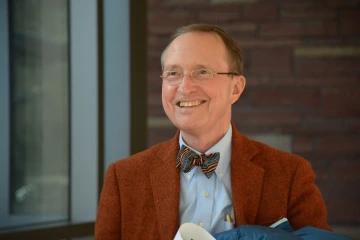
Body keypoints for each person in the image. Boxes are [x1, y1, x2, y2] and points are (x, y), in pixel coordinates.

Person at [94, 23, 331, 240]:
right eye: (173, 73)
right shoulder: (123, 178)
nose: (185, 88)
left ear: (235, 89)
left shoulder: (290, 175)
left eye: (203, 72)